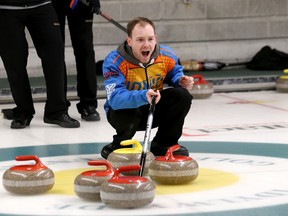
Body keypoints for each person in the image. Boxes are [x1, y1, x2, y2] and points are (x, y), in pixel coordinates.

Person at [101, 17, 194, 159]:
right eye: (140, 40)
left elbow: (174, 71)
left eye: (150, 39)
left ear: (155, 39)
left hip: (154, 107)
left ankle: (163, 144)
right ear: (129, 41)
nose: (146, 45)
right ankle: (120, 145)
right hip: (126, 113)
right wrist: (142, 96)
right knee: (127, 110)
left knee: (182, 95)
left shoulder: (166, 55)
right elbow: (115, 99)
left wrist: (180, 80)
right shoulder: (115, 61)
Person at [0, 0, 80, 129]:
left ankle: (56, 111)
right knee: (14, 62)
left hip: (42, 5)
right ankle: (23, 112)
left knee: (55, 56)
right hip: (7, 8)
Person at [51, 0, 101, 121]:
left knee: (85, 50)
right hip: (53, 3)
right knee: (55, 51)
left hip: (80, 3)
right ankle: (59, 106)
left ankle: (88, 104)